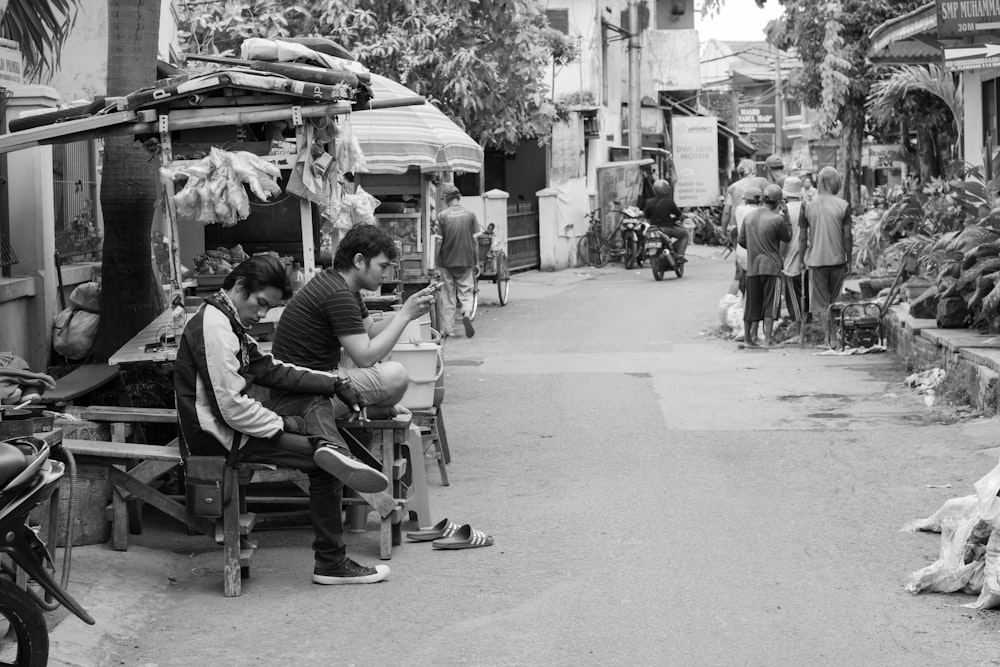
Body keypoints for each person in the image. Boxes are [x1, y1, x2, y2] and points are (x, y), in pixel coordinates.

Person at [174, 254, 395, 585]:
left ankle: (332, 449)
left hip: (233, 427)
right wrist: (284, 425)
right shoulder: (216, 328)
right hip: (218, 437)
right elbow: (231, 408)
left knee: (317, 399)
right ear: (238, 287)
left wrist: (336, 382)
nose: (262, 314)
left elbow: (269, 368)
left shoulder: (226, 319)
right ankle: (331, 562)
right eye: (261, 303)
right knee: (325, 465)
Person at [799, 166, 853, 349]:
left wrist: (800, 260)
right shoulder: (843, 205)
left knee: (821, 302)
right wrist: (850, 258)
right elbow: (847, 236)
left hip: (816, 260)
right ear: (834, 182)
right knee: (835, 300)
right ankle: (836, 337)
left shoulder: (807, 205)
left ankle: (828, 337)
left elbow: (803, 237)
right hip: (838, 260)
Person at [738, 184, 792, 347]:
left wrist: (754, 247)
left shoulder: (748, 218)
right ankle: (768, 339)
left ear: (762, 199)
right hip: (772, 267)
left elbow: (741, 241)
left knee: (751, 304)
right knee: (771, 303)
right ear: (778, 202)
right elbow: (787, 237)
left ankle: (748, 338)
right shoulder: (777, 219)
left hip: (753, 267)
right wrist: (787, 217)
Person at [434, 184, 478, 338]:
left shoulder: (442, 216)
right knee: (466, 291)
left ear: (446, 199)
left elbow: (439, 242)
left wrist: (436, 262)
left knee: (448, 295)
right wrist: (477, 262)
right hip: (466, 260)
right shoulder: (470, 214)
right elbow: (475, 242)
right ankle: (466, 312)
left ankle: (449, 329)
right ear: (458, 197)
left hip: (447, 262)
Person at [727, 179, 766, 297]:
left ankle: (739, 301)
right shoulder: (762, 211)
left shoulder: (739, 210)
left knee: (740, 277)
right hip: (757, 253)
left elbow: (733, 226)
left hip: (741, 252)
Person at [779, 176, 808, 323]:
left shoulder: (785, 211)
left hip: (791, 257)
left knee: (793, 296)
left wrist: (779, 257)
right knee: (805, 293)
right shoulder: (807, 206)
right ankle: (805, 323)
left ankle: (798, 327)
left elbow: (784, 238)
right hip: (808, 256)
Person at [643, 179, 688, 263]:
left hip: (654, 229)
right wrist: (684, 216)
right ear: (665, 189)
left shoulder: (649, 202)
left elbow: (647, 216)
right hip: (667, 229)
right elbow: (679, 215)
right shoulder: (669, 202)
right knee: (685, 234)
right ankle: (680, 256)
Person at [721, 158, 757, 234]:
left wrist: (723, 231)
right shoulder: (761, 183)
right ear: (753, 170)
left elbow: (727, 212)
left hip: (737, 225)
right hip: (757, 225)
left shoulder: (732, 187)